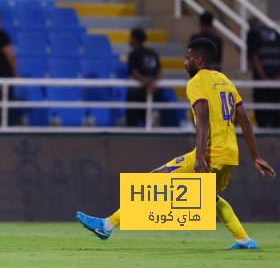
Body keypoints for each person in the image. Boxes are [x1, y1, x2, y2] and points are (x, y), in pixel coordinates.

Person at [76, 38, 276, 249]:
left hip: (210, 153)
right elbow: (243, 119)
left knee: (154, 181)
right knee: (209, 197)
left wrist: (199, 157)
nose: (184, 62)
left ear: (198, 60)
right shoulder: (226, 81)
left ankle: (106, 226)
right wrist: (255, 155)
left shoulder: (197, 82)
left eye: (188, 58)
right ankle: (244, 239)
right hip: (229, 154)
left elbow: (203, 118)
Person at [246, 18, 280, 128]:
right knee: (276, 114)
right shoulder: (275, 32)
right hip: (276, 77)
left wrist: (264, 78)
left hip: (263, 78)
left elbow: (254, 57)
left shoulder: (252, 33)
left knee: (263, 116)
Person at [126, 28, 162, 127]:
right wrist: (153, 83)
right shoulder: (153, 53)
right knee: (148, 122)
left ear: (135, 39)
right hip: (151, 92)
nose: (129, 40)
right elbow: (159, 71)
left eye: (131, 37)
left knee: (132, 124)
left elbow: (134, 72)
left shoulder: (133, 54)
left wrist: (147, 83)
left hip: (136, 94)